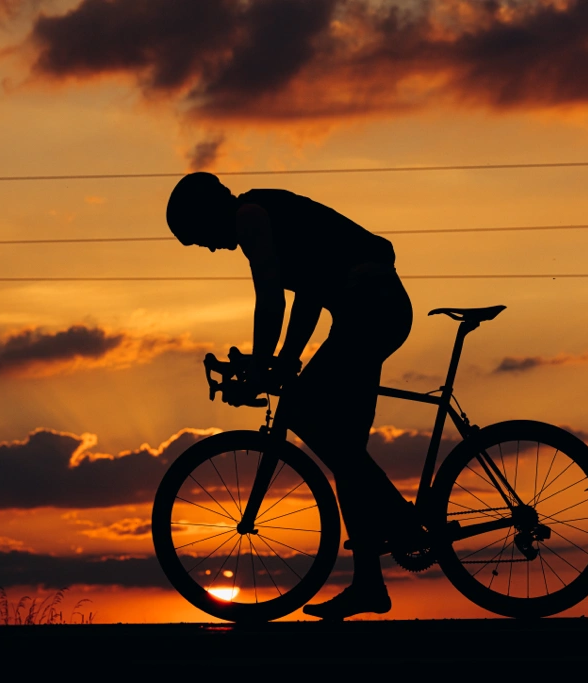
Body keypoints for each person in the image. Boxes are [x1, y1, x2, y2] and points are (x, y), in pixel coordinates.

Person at [166, 172, 419, 620]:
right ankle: (369, 585)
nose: (207, 248)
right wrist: (283, 359)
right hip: (372, 307)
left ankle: (400, 520)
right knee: (346, 453)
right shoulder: (266, 214)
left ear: (208, 213)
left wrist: (267, 364)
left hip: (372, 308)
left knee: (307, 415)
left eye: (199, 237)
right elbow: (312, 292)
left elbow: (271, 298)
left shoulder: (249, 218)